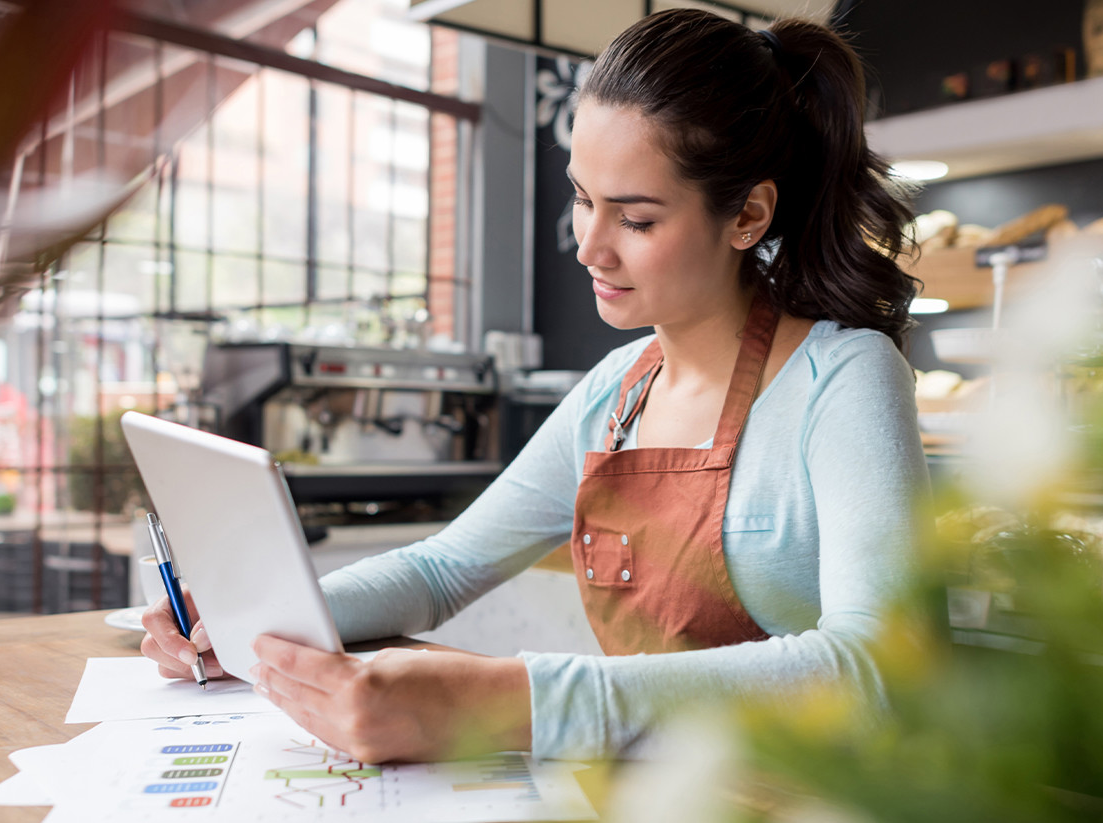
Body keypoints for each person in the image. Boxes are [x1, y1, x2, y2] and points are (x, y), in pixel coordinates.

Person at [142, 8, 929, 763]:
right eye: (583, 197)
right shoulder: (614, 393)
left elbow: (873, 669)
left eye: (637, 219)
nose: (589, 247)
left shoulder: (845, 379)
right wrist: (250, 621)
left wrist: (504, 699)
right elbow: (441, 569)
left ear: (749, 215)